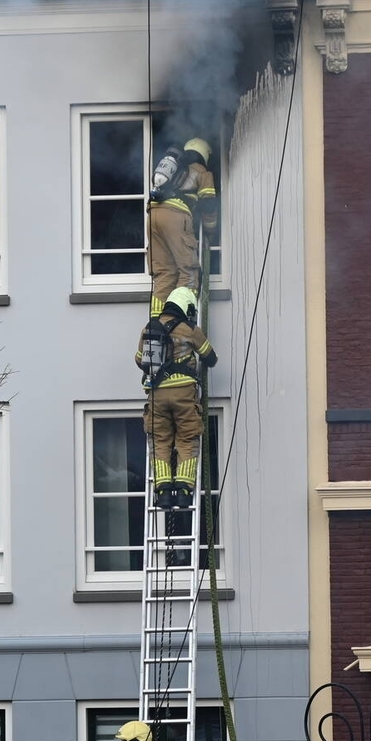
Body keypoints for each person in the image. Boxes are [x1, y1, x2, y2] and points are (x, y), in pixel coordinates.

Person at [135, 286, 217, 511]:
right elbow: (210, 357)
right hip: (184, 394)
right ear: (187, 308)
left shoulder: (149, 328)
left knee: (160, 441)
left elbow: (139, 360)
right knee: (187, 438)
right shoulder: (189, 329)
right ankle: (183, 491)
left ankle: (162, 492)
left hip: (157, 395)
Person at [146, 137, 218, 313]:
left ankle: (157, 319)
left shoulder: (174, 170)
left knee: (164, 273)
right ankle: (183, 318)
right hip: (176, 216)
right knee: (189, 272)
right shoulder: (203, 172)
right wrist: (210, 230)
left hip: (153, 214)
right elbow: (208, 204)